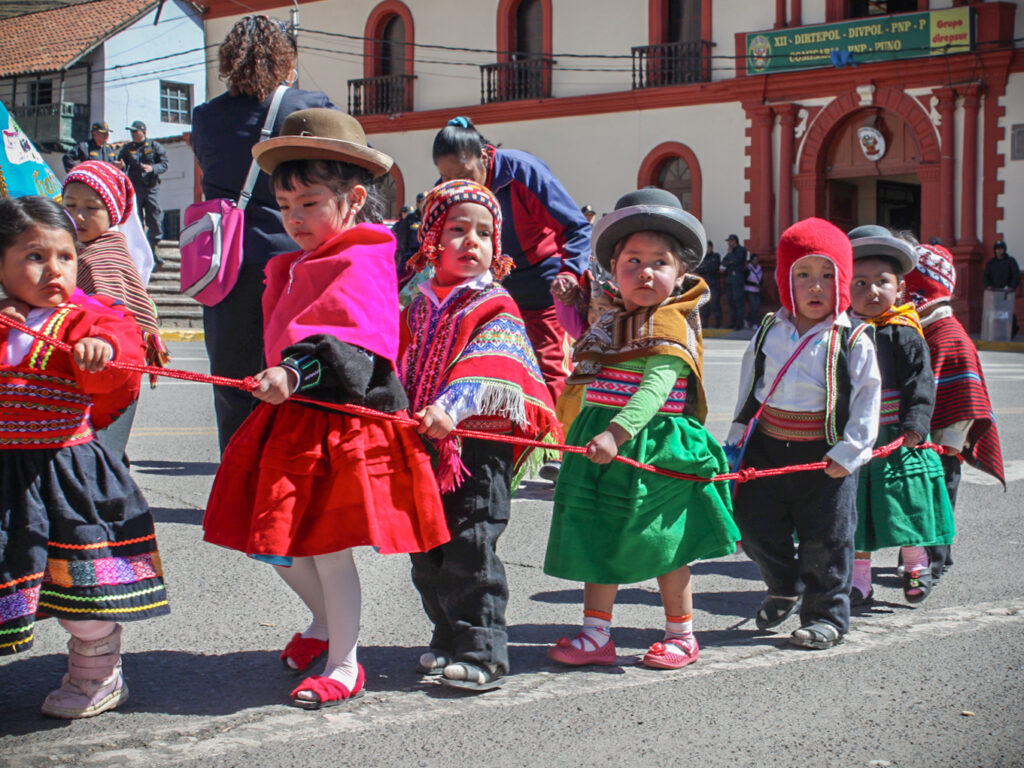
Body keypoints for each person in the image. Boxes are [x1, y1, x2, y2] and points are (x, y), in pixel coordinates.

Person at [202, 108, 448, 710]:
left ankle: (345, 661)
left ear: (354, 198)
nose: (295, 218)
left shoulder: (362, 257)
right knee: (275, 541)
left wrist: (292, 370)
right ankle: (322, 625)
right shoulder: (296, 263)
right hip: (292, 418)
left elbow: (351, 348)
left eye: (309, 202)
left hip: (342, 422)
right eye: (286, 205)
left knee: (326, 548)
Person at [544, 188, 739, 670]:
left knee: (664, 544)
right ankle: (596, 633)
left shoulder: (671, 324)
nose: (645, 271)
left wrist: (615, 432)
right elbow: (583, 347)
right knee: (598, 535)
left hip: (653, 446)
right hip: (603, 440)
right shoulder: (612, 317)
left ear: (680, 275)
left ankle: (682, 633)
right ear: (613, 268)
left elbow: (652, 391)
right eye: (633, 260)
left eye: (660, 262)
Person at [0, 196, 169, 718]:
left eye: (66, 256)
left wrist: (101, 355)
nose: (54, 270)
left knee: (83, 588)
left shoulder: (89, 318)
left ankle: (97, 672)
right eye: (34, 256)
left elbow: (118, 363)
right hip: (7, 476)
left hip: (66, 474)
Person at [398, 179, 562, 691]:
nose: (473, 241)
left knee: (472, 548)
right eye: (457, 230)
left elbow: (491, 367)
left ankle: (484, 651)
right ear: (430, 241)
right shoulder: (418, 303)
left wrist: (450, 407)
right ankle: (447, 636)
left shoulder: (494, 303)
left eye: (486, 233)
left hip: (476, 451)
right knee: (427, 553)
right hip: (424, 447)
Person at [726, 217, 881, 651]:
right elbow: (751, 384)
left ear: (844, 280)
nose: (816, 287)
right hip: (768, 447)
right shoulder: (769, 331)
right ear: (784, 279)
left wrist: (849, 451)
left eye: (828, 275)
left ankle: (827, 616)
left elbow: (868, 399)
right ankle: (783, 584)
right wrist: (739, 433)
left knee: (826, 541)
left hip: (824, 456)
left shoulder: (853, 339)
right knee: (752, 525)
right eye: (804, 274)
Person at [191, 14, 337, 452]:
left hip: (227, 265)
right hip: (292, 259)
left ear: (229, 62)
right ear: (286, 61)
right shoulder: (308, 107)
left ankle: (237, 488)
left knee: (233, 385)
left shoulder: (205, 116)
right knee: (297, 380)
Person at [846, 225, 954, 606]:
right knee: (857, 506)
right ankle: (858, 580)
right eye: (860, 282)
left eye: (882, 282)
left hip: (898, 435)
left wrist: (914, 427)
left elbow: (921, 383)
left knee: (905, 502)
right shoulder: (842, 334)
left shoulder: (904, 332)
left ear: (901, 289)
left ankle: (915, 565)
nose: (871, 291)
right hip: (856, 437)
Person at [904, 241, 1005, 581]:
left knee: (940, 487)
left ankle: (938, 553)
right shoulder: (929, 327)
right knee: (932, 488)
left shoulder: (946, 333)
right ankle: (939, 552)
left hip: (948, 430)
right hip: (936, 428)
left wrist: (950, 440)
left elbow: (964, 390)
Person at [61, 161, 169, 462]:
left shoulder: (101, 257)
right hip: (102, 367)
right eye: (69, 204)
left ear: (113, 213)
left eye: (91, 208)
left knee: (95, 454)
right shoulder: (79, 251)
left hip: (107, 366)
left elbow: (112, 316)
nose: (77, 216)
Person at [117, 121, 167, 255]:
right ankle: (136, 246)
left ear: (143, 132)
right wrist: (120, 166)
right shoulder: (127, 148)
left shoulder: (155, 146)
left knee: (154, 215)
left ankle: (154, 247)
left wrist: (152, 168)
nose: (133, 134)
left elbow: (164, 165)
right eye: (131, 132)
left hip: (151, 187)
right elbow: (122, 164)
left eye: (135, 131)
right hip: (135, 188)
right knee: (136, 216)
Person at [983, 240, 1021, 337]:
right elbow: (985, 276)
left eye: (1001, 249)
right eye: (997, 249)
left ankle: (1012, 331)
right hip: (994, 294)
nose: (999, 251)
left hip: (1007, 294)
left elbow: (1016, 275)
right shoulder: (991, 263)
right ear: (995, 251)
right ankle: (997, 333)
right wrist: (988, 285)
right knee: (996, 313)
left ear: (1004, 250)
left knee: (1008, 313)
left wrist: (1011, 286)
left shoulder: (1010, 261)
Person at [722, 234, 747, 330]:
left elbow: (737, 261)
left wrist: (731, 257)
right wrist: (730, 258)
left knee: (738, 301)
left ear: (734, 241)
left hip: (737, 279)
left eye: (729, 241)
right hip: (729, 279)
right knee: (730, 301)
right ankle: (732, 322)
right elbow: (724, 262)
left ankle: (739, 323)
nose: (728, 243)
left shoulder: (741, 250)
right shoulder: (730, 252)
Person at [696, 239, 722, 328]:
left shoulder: (716, 256)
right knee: (705, 306)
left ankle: (718, 323)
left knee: (715, 304)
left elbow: (713, 268)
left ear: (710, 247)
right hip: (705, 285)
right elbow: (699, 269)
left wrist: (706, 268)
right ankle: (705, 323)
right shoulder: (703, 258)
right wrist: (706, 268)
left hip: (714, 284)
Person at [743, 252, 763, 328]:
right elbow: (745, 280)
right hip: (749, 290)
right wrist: (754, 284)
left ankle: (747, 319)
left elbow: (761, 279)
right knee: (753, 307)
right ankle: (754, 323)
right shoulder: (748, 269)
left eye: (757, 259)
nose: (756, 261)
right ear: (751, 260)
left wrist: (760, 285)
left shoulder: (759, 268)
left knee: (757, 307)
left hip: (757, 290)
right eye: (754, 259)